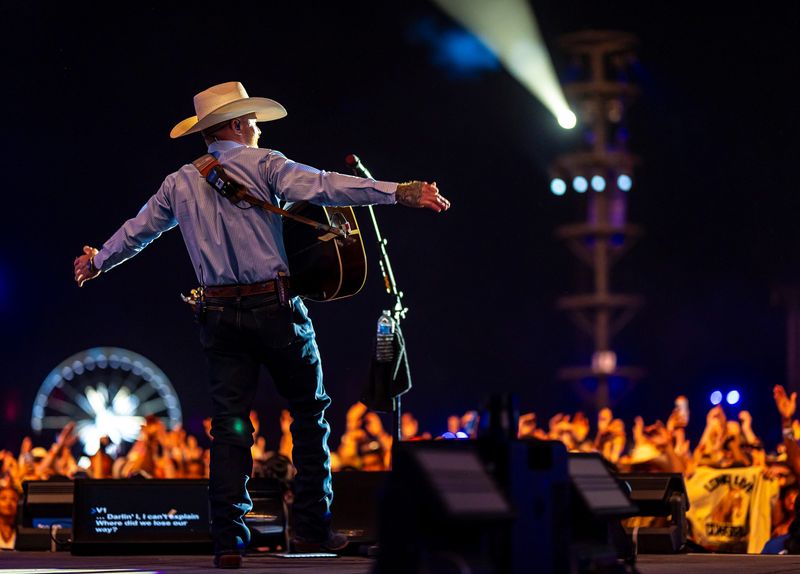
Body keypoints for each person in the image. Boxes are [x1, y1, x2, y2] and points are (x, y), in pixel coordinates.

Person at [72, 81, 450, 568]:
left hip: (219, 316)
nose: (256, 127)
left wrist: (98, 259)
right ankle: (313, 527)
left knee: (230, 428)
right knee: (310, 416)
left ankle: (228, 540)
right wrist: (399, 192)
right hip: (275, 311)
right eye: (251, 119)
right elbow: (327, 185)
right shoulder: (265, 163)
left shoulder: (178, 182)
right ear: (235, 124)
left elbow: (138, 231)